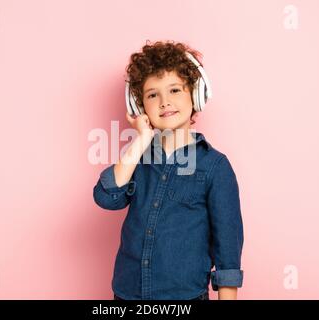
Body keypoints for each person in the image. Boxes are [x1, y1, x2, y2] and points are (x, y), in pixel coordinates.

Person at [93, 40, 244, 300]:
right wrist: (140, 140)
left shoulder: (215, 167)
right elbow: (107, 198)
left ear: (195, 95)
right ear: (139, 107)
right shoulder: (138, 160)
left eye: (175, 90)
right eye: (153, 95)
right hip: (127, 295)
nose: (165, 102)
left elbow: (227, 253)